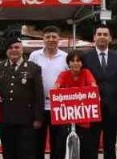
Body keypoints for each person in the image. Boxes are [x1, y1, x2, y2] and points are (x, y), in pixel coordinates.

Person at [0, 40, 44, 159]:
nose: (13, 50)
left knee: (26, 153)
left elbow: (39, 95)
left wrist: (38, 118)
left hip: (26, 119)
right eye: (10, 47)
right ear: (6, 51)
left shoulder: (33, 68)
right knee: (8, 153)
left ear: (22, 49)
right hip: (6, 118)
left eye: (16, 47)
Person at [81, 25, 117, 159]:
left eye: (105, 34)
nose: (102, 37)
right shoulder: (85, 57)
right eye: (99, 34)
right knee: (90, 143)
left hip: (112, 107)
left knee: (110, 143)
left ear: (110, 38)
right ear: (94, 38)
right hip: (91, 107)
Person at [30, 26, 68, 159]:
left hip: (59, 107)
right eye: (48, 37)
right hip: (39, 106)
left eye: (54, 37)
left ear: (59, 39)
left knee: (58, 145)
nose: (51, 40)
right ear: (43, 39)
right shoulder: (34, 55)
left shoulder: (65, 57)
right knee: (36, 145)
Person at [54, 51, 98, 159]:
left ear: (82, 63)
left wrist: (95, 94)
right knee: (60, 146)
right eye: (72, 61)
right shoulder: (64, 74)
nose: (75, 63)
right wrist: (53, 94)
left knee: (86, 147)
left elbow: (93, 86)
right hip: (67, 116)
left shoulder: (86, 72)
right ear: (68, 63)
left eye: (78, 61)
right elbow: (55, 87)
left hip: (83, 116)